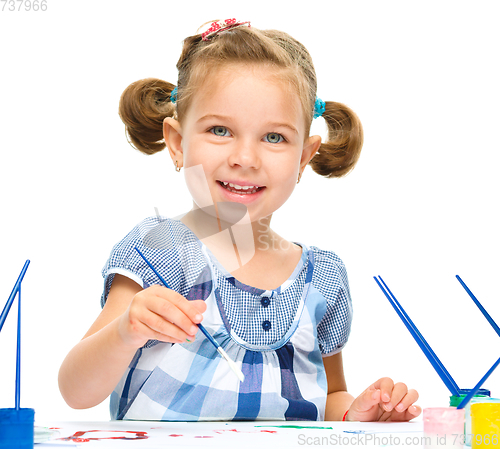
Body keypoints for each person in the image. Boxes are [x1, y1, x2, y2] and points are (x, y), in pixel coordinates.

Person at [58, 19, 420, 422]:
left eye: (274, 137)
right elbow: (76, 389)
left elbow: (329, 396)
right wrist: (126, 330)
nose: (245, 158)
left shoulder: (323, 279)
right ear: (177, 144)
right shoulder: (159, 250)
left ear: (304, 156)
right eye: (219, 130)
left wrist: (356, 414)